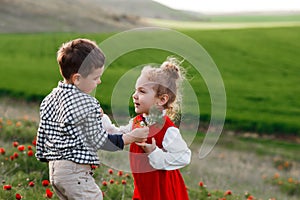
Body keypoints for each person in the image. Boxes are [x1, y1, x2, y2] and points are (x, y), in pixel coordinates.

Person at [35, 38, 148, 200]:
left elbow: (42, 137)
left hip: (56, 172)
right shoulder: (88, 102)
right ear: (77, 78)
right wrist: (132, 137)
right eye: (96, 78)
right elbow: (100, 141)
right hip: (76, 172)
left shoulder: (49, 99)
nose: (99, 81)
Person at [106, 57, 190, 200]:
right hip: (145, 190)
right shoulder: (138, 122)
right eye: (135, 90)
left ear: (161, 100)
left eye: (142, 91)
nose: (135, 95)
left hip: (164, 192)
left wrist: (155, 153)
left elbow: (184, 157)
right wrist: (102, 121)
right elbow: (119, 134)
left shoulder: (167, 129)